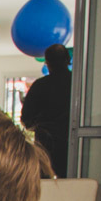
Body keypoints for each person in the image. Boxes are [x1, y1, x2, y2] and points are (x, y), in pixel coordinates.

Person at [21, 43, 72, 178]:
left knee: (45, 188)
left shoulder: (40, 86)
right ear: (68, 60)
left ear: (47, 63)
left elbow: (26, 120)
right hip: (75, 146)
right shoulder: (80, 84)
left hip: (46, 147)